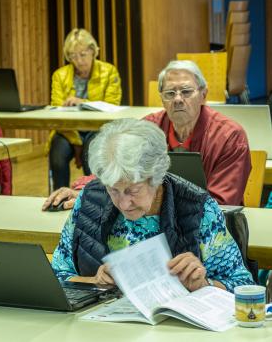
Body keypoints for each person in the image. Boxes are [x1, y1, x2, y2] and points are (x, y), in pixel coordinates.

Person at [51, 118, 254, 292]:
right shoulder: (91, 199)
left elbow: (243, 285)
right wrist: (94, 281)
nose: (123, 203)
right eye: (113, 190)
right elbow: (59, 273)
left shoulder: (199, 209)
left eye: (133, 190)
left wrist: (202, 284)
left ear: (156, 177)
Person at [43, 59, 251, 210]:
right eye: (170, 93)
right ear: (161, 98)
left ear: (203, 95)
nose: (178, 99)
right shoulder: (147, 128)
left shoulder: (229, 136)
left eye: (186, 92)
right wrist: (83, 193)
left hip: (213, 233)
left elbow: (222, 204)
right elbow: (114, 171)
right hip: (152, 222)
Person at [48, 28, 122, 190]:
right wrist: (76, 143)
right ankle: (59, 199)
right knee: (57, 157)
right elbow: (55, 109)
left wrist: (82, 102)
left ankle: (94, 199)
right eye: (73, 56)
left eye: (82, 54)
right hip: (68, 130)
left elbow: (112, 104)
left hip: (98, 128)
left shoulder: (109, 71)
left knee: (91, 154)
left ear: (93, 51)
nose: (79, 60)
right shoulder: (59, 75)